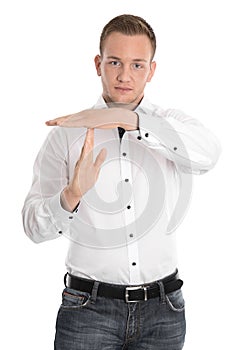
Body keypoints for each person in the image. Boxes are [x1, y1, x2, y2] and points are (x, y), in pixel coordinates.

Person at [22, 14, 221, 350]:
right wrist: (71, 194)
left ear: (152, 70)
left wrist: (126, 119)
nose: (125, 75)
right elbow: (33, 228)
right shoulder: (66, 135)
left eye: (137, 65)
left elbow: (209, 155)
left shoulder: (170, 125)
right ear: (98, 63)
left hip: (164, 311)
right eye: (114, 62)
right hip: (88, 309)